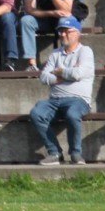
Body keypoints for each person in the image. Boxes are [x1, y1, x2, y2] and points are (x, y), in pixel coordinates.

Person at [30, 16, 94, 166]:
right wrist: (65, 75)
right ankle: (54, 153)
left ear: (78, 32)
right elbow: (43, 77)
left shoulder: (85, 51)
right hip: (55, 100)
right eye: (61, 32)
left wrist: (59, 72)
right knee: (37, 113)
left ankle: (76, 153)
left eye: (67, 31)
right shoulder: (55, 54)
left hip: (79, 100)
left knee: (72, 114)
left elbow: (78, 74)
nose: (63, 35)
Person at [21, 0, 77, 71]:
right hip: (45, 17)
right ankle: (32, 64)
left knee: (65, 21)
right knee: (26, 20)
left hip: (63, 19)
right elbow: (29, 9)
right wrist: (52, 13)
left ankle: (65, 61)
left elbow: (66, 11)